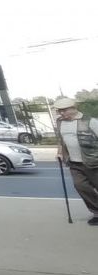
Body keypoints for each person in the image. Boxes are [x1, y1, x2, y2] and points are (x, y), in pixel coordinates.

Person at [54, 97, 98, 226]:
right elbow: (60, 140)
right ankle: (97, 212)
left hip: (93, 161)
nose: (61, 113)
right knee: (80, 186)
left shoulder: (90, 121)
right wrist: (60, 152)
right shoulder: (60, 122)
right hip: (74, 163)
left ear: (74, 108)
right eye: (59, 110)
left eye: (64, 110)